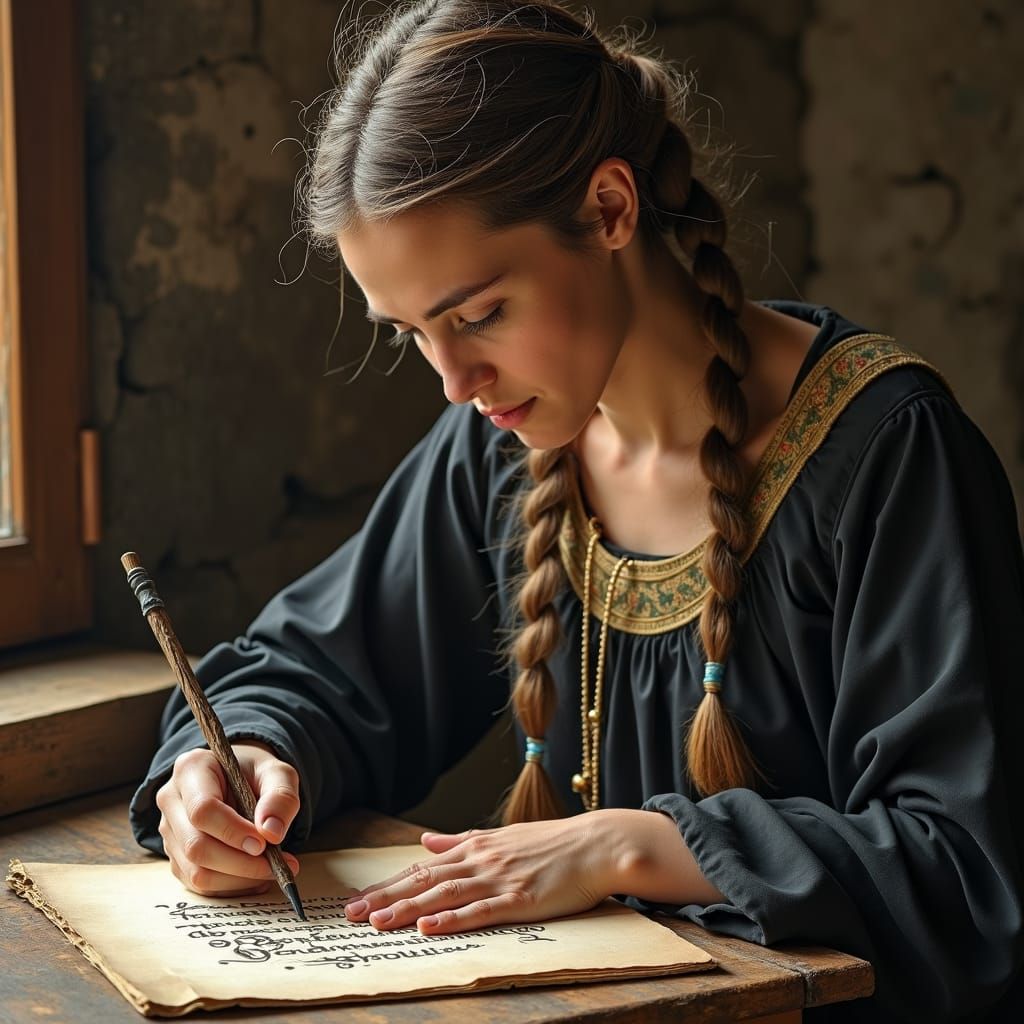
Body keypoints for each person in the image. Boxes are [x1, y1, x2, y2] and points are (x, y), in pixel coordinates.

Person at [129, 2, 1024, 1020]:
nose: (454, 382)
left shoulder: (886, 456)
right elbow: (319, 667)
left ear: (608, 209)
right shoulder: (505, 445)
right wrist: (240, 758)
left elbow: (967, 873)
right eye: (409, 334)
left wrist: (629, 841)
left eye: (477, 315)